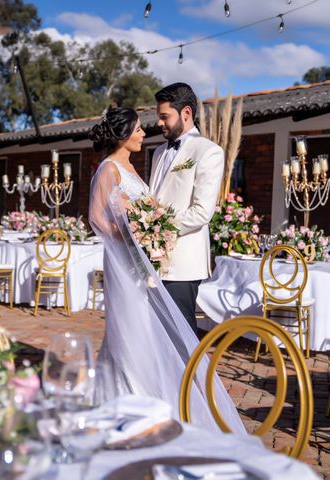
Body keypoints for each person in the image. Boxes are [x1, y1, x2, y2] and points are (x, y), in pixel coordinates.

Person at [88, 106, 244, 433]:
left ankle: (147, 397)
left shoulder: (132, 166)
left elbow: (146, 208)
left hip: (144, 263)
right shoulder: (108, 169)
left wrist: (147, 233)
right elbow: (97, 219)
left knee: (144, 330)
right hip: (125, 263)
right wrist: (131, 236)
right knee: (128, 330)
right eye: (138, 130)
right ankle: (127, 403)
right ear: (123, 134)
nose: (145, 133)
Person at [149, 83, 224, 334]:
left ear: (186, 113)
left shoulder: (209, 152)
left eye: (164, 117)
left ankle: (190, 375)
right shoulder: (159, 152)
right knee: (159, 333)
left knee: (180, 335)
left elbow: (202, 212)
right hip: (154, 259)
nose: (159, 123)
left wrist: (154, 226)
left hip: (183, 262)